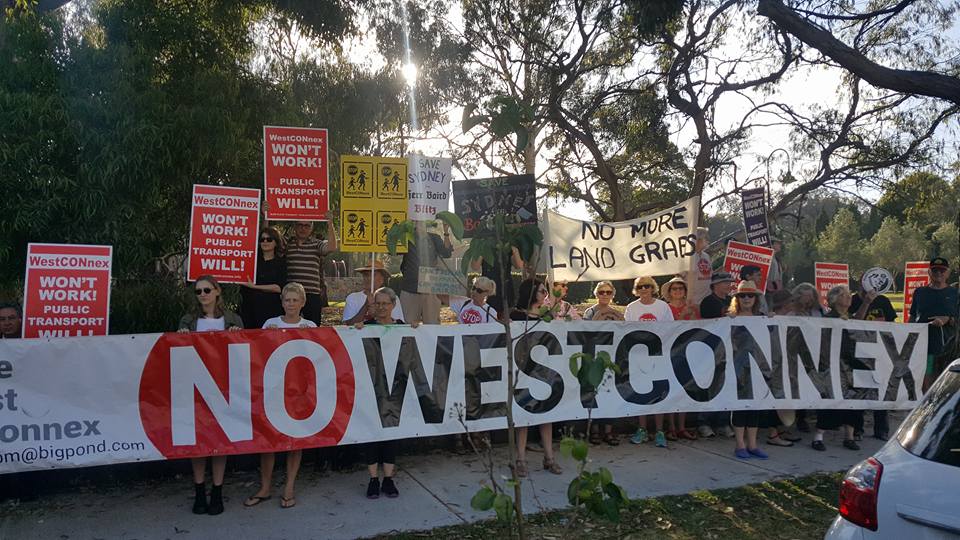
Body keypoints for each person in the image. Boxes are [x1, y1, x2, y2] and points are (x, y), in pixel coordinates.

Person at [244, 283, 316, 509]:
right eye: (287, 300)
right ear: (282, 302)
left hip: (299, 392)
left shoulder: (310, 326)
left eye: (295, 300)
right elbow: (259, 354)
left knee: (295, 441)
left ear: (303, 303)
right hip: (273, 390)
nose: (291, 304)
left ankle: (289, 487)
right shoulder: (270, 323)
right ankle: (265, 487)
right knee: (269, 441)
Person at [177, 275, 243, 515]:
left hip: (224, 387)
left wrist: (237, 334)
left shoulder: (233, 319)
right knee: (198, 442)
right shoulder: (188, 320)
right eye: (198, 291)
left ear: (217, 291)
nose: (203, 295)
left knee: (219, 441)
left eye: (207, 290)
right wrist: (181, 335)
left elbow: (243, 352)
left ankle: (217, 490)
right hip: (195, 387)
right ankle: (199, 490)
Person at [354, 287, 415, 498]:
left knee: (391, 434)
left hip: (395, 389)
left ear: (393, 305)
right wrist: (356, 330)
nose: (381, 307)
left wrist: (417, 330)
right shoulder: (366, 327)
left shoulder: (402, 327)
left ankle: (388, 479)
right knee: (371, 433)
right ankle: (373, 479)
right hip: (371, 389)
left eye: (385, 303)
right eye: (377, 303)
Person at [811, 285, 874, 452]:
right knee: (832, 399)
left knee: (853, 399)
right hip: (834, 364)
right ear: (834, 299)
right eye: (843, 295)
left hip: (851, 362)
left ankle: (849, 436)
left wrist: (866, 302)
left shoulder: (848, 316)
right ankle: (818, 436)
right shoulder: (828, 318)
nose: (848, 297)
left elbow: (857, 321)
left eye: (848, 294)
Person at [510, 278, 562, 476]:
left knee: (546, 415)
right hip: (523, 370)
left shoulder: (546, 316)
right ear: (531, 293)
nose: (545, 295)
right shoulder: (516, 315)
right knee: (523, 416)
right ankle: (521, 459)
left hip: (543, 371)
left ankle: (549, 458)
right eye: (542, 291)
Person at [623, 276, 673, 447]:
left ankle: (659, 431)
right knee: (641, 393)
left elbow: (671, 329)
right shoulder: (631, 307)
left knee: (659, 393)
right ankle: (642, 429)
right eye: (640, 287)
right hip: (638, 356)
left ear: (653, 288)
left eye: (647, 286)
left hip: (658, 355)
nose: (644, 289)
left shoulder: (663, 306)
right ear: (636, 290)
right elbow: (627, 331)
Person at [850, 278, 898, 440]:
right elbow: (854, 323)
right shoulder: (853, 300)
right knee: (859, 390)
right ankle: (857, 428)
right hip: (859, 351)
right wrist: (867, 302)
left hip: (880, 350)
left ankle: (881, 429)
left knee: (881, 390)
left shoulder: (883, 300)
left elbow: (891, 323)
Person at [728, 281, 769, 460]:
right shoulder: (731, 319)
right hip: (737, 367)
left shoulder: (763, 317)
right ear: (737, 299)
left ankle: (752, 445)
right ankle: (740, 444)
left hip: (758, 367)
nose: (746, 298)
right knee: (739, 406)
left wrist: (773, 320)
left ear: (756, 298)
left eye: (750, 295)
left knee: (755, 406)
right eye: (742, 295)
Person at [581, 281, 622, 445]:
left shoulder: (617, 313)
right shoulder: (589, 312)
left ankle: (608, 430)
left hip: (610, 357)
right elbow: (585, 332)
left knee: (609, 392)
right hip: (593, 356)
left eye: (608, 292)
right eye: (601, 292)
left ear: (613, 295)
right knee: (593, 392)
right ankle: (594, 430)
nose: (605, 295)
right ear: (596, 294)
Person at [696, 272, 736, 438]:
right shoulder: (708, 302)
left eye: (729, 282)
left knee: (726, 385)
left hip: (730, 348)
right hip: (711, 349)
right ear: (715, 285)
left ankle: (723, 422)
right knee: (708, 385)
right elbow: (708, 324)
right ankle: (703, 422)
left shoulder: (732, 300)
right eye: (725, 282)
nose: (728, 285)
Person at [909, 257, 958, 391]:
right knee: (927, 377)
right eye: (935, 270)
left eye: (942, 271)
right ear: (929, 272)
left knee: (947, 379)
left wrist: (947, 319)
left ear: (948, 273)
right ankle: (928, 400)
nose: (938, 273)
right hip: (925, 346)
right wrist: (907, 334)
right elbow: (912, 316)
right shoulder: (920, 292)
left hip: (948, 346)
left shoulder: (955, 293)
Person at [659, 276, 698, 441]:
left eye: (681, 288)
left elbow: (698, 328)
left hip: (688, 352)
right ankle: (671, 427)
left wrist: (691, 314)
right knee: (671, 390)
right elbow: (669, 330)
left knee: (684, 390)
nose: (677, 291)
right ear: (669, 292)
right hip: (671, 352)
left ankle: (682, 427)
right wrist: (682, 316)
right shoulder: (665, 308)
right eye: (674, 289)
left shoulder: (693, 308)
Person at [764, 289, 802, 447]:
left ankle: (781, 430)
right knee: (775, 397)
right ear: (784, 303)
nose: (793, 304)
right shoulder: (771, 319)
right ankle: (773, 434)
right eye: (791, 301)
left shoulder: (791, 318)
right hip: (775, 364)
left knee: (785, 397)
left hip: (788, 363)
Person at [399, 222, 453, 325]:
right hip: (410, 288)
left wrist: (446, 231)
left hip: (430, 288)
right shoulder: (406, 238)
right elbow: (392, 251)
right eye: (417, 221)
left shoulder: (434, 238)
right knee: (408, 324)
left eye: (422, 220)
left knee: (432, 324)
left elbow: (447, 253)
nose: (420, 223)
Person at [286, 220, 338, 323]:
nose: (303, 228)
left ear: (311, 228)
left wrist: (330, 223)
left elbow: (332, 247)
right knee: (289, 326)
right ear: (295, 226)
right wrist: (266, 216)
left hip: (312, 294)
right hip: (291, 295)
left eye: (307, 226)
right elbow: (268, 242)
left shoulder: (316, 243)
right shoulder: (287, 243)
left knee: (312, 327)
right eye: (300, 225)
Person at [240, 226, 287, 330]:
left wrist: (254, 286)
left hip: (271, 308)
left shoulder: (281, 262)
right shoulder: (251, 259)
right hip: (249, 308)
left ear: (276, 242)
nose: (265, 242)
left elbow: (279, 288)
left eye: (269, 239)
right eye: (262, 239)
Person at [342, 260, 404, 325]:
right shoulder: (352, 298)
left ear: (382, 279)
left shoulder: (392, 298)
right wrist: (365, 306)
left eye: (373, 275)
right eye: (366, 275)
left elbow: (397, 325)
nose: (369, 278)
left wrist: (377, 313)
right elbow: (349, 326)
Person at [473, 246, 524, 315]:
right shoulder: (484, 246)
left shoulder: (508, 247)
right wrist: (482, 249)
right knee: (486, 313)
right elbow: (475, 266)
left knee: (505, 314)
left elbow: (519, 266)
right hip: (487, 287)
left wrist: (514, 250)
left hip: (505, 287)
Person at [688, 227, 713, 304]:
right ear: (697, 239)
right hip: (693, 301)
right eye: (705, 237)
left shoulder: (706, 256)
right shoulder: (687, 257)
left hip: (708, 298)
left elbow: (710, 274)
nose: (708, 240)